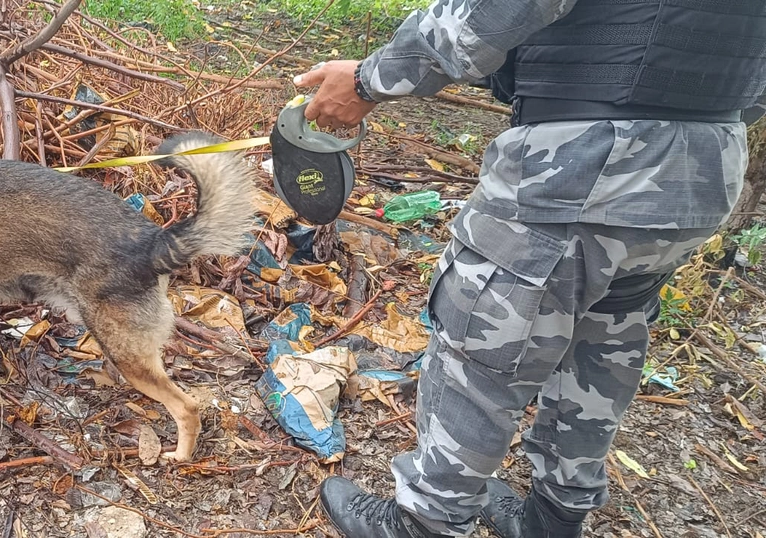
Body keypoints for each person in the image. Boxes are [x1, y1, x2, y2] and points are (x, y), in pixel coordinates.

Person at [292, 0, 766, 537]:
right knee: (603, 337)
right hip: (704, 165)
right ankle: (553, 519)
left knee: (480, 348)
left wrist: (366, 80)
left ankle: (423, 522)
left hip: (582, 164)